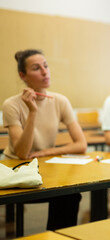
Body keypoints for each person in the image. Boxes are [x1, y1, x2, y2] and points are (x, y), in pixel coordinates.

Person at [2, 49, 86, 230]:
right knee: (66, 195)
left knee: (70, 194)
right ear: (23, 75)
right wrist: (32, 111)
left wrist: (47, 152)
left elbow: (81, 144)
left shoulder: (60, 100)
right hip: (16, 172)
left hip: (43, 168)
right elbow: (23, 153)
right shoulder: (11, 105)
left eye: (46, 66)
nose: (44, 71)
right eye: (36, 68)